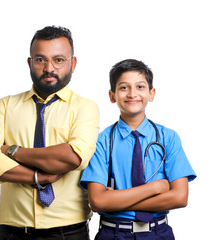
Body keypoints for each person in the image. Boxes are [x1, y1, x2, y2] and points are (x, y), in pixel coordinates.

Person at [0, 26, 100, 240]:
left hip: (68, 233)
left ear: (73, 63)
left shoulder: (85, 108)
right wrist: (38, 177)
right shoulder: (5, 106)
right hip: (13, 232)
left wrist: (12, 151)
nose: (49, 68)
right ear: (30, 63)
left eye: (58, 60)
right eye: (40, 60)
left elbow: (72, 157)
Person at [80, 59, 196, 240]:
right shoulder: (101, 141)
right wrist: (156, 187)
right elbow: (98, 202)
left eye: (140, 87)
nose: (132, 93)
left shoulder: (168, 138)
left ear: (151, 93)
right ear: (112, 96)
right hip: (113, 233)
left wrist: (116, 200)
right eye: (124, 87)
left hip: (158, 233)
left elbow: (180, 197)